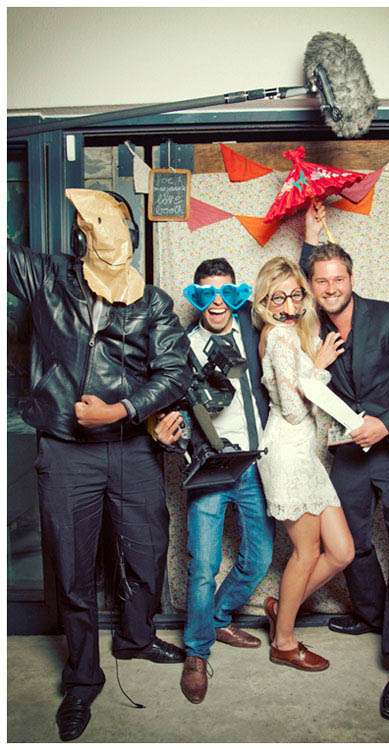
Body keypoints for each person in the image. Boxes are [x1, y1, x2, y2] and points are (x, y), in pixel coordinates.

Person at [7, 189, 192, 742]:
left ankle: (136, 636)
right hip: (66, 451)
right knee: (72, 569)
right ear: (82, 233)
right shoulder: (47, 279)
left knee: (148, 550)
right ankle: (83, 677)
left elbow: (175, 371)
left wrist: (124, 409)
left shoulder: (153, 303)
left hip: (132, 446)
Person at [301, 201, 389, 720]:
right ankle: (373, 614)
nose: (330, 287)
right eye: (321, 280)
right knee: (351, 541)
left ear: (351, 279)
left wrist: (388, 423)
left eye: (338, 278)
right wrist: (309, 236)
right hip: (350, 452)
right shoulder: (312, 329)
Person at [155, 257, 274, 705]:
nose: (218, 301)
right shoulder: (182, 348)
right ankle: (197, 651)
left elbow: (297, 298)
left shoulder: (256, 333)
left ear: (237, 296)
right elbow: (171, 411)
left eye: (226, 292)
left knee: (259, 557)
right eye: (208, 293)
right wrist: (170, 434)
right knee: (203, 566)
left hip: (254, 466)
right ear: (196, 297)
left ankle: (218, 617)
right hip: (209, 469)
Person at [252, 256, 355, 672]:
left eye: (296, 295)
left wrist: (310, 365)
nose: (290, 306)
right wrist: (318, 367)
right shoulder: (279, 337)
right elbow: (294, 412)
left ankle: (281, 607)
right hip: (287, 451)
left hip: (305, 454)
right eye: (277, 298)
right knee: (307, 552)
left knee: (342, 551)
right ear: (264, 302)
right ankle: (284, 642)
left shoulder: (293, 333)